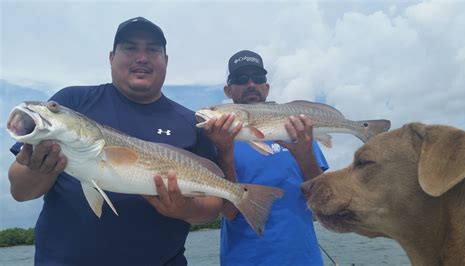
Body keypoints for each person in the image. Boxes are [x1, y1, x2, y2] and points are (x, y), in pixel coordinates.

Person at [7, 17, 222, 265]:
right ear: (111, 57)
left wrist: (186, 209)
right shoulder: (72, 101)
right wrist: (39, 170)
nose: (141, 57)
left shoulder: (191, 122)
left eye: (152, 50)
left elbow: (213, 204)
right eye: (130, 48)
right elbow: (21, 192)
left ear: (166, 60)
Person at [203, 50, 329, 265]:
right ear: (228, 90)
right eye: (241, 79)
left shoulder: (298, 131)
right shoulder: (212, 142)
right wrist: (224, 151)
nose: (251, 84)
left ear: (266, 87)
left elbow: (324, 201)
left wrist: (306, 154)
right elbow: (230, 211)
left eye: (258, 78)